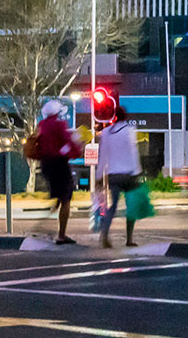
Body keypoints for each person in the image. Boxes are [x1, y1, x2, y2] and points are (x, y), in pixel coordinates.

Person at [32, 100, 85, 244]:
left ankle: (54, 207)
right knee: (66, 199)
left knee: (59, 193)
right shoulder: (59, 125)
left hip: (46, 165)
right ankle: (61, 235)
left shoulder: (42, 125)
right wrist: (77, 149)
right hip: (59, 165)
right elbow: (67, 142)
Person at [95, 106, 146, 248]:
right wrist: (138, 172)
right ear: (126, 117)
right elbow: (134, 152)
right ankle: (129, 239)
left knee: (113, 207)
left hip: (113, 175)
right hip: (129, 175)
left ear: (114, 116)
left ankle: (104, 235)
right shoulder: (130, 131)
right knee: (131, 207)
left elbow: (103, 156)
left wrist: (99, 176)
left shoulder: (106, 133)